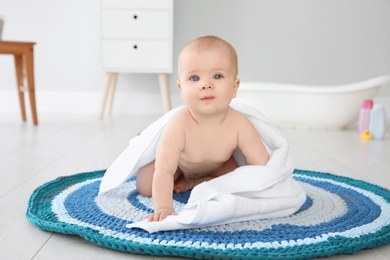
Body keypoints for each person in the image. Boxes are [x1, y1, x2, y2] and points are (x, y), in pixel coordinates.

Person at [135, 35, 270, 222]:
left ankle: (198, 181)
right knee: (145, 186)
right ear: (181, 89)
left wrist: (267, 187)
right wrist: (164, 207)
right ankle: (175, 170)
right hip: (179, 166)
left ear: (234, 87)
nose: (206, 84)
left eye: (217, 76)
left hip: (219, 165)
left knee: (238, 181)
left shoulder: (239, 123)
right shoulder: (179, 123)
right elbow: (165, 170)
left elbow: (262, 166)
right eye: (195, 78)